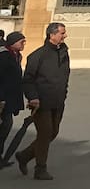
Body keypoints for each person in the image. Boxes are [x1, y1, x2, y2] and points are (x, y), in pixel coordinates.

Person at [16, 22, 70, 181]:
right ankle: (40, 169)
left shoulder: (64, 53)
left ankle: (24, 156)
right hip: (41, 102)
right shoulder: (38, 55)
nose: (65, 35)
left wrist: (64, 93)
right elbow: (27, 80)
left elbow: (65, 76)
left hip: (58, 101)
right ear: (52, 35)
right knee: (45, 134)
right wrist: (33, 97)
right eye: (62, 33)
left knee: (53, 133)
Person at [0, 32, 26, 167]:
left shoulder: (16, 56)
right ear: (13, 42)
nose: (23, 44)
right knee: (5, 126)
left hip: (9, 99)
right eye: (21, 41)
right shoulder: (4, 56)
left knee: (5, 126)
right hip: (2, 99)